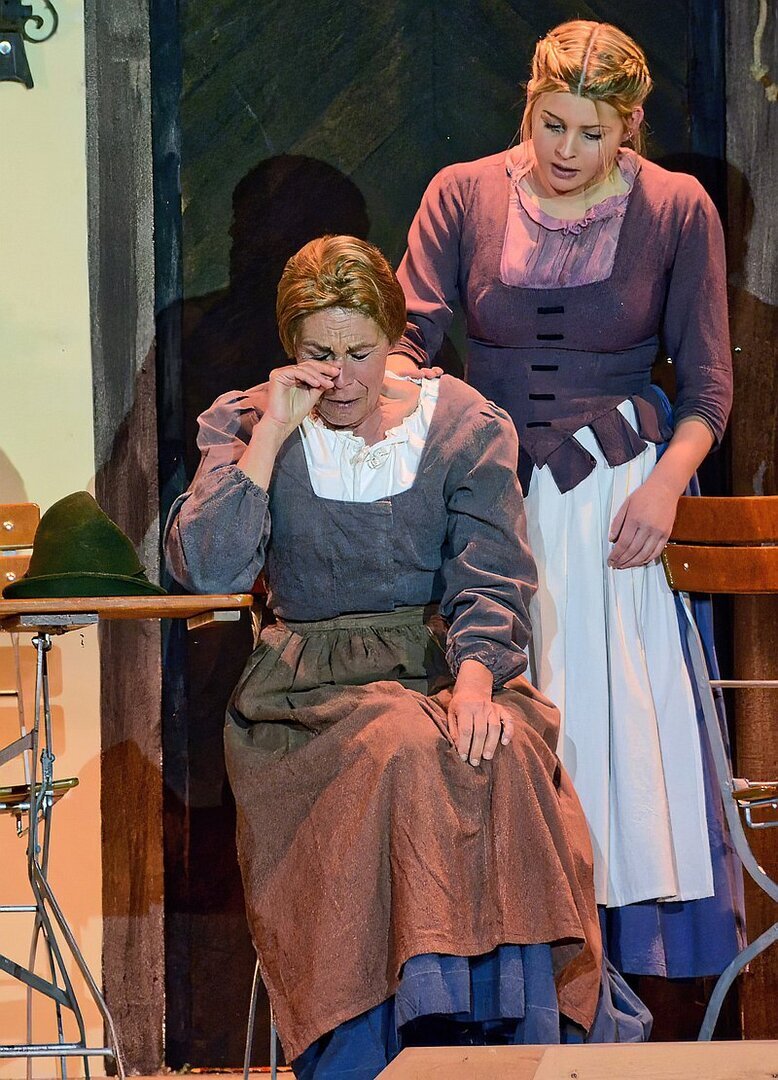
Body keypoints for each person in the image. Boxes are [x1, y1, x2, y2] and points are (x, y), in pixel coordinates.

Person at [165, 235, 648, 1076]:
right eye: (319, 355)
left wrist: (477, 684)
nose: (341, 377)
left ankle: (512, 1038)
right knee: (403, 745)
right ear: (290, 347)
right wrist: (272, 435)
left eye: (360, 352)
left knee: (498, 751)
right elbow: (206, 568)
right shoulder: (248, 422)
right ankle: (401, 1041)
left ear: (392, 338)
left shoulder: (460, 423)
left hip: (442, 667)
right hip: (304, 697)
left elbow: (491, 576)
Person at [390, 19, 745, 990]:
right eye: (551, 124)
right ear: (528, 104)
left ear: (630, 125)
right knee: (497, 706)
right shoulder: (462, 193)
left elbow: (709, 388)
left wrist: (666, 487)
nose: (566, 150)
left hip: (613, 497)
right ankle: (502, 951)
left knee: (609, 723)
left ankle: (606, 974)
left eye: (593, 133)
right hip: (489, 491)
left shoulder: (676, 209)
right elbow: (408, 341)